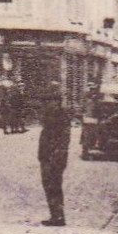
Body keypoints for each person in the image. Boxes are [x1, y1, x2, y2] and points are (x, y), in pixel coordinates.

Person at [37, 91, 70, 226]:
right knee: (48, 184)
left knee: (54, 185)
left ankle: (58, 216)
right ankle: (55, 215)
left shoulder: (61, 116)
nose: (46, 104)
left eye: (49, 101)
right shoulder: (49, 114)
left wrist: (59, 153)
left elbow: (64, 138)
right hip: (46, 155)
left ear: (56, 101)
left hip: (55, 156)